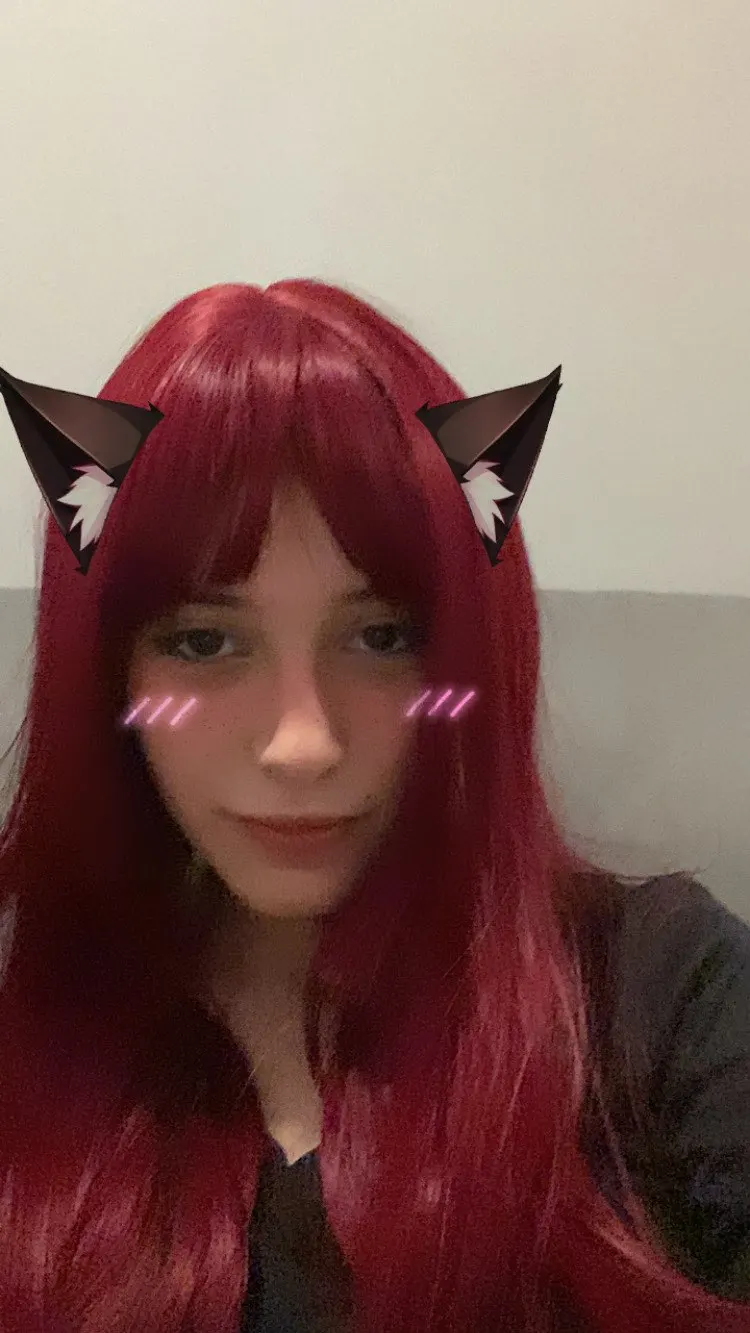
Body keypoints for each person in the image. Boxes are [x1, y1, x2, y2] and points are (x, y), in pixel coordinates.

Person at [0, 279, 747, 1333]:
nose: (303, 744)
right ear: (108, 673)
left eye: (383, 637)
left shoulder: (663, 1000)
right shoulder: (26, 1021)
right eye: (204, 641)